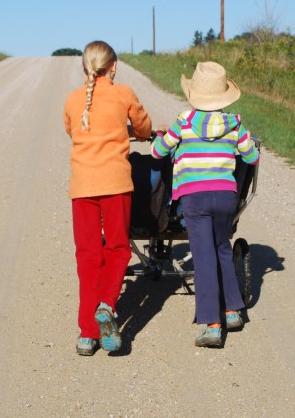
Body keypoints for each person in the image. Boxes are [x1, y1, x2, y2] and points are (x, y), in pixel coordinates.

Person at [151, 61, 259, 348]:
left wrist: (163, 136)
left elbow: (157, 152)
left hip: (195, 199)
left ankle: (212, 325)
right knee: (222, 248)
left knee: (203, 258)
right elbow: (251, 158)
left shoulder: (184, 122)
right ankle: (233, 310)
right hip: (225, 197)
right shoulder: (235, 123)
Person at [63, 40, 152, 356]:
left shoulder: (74, 99)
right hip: (115, 184)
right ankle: (105, 304)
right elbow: (144, 128)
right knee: (117, 249)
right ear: (113, 66)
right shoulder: (123, 93)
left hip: (83, 186)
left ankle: (87, 334)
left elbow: (74, 132)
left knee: (87, 255)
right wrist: (128, 130)